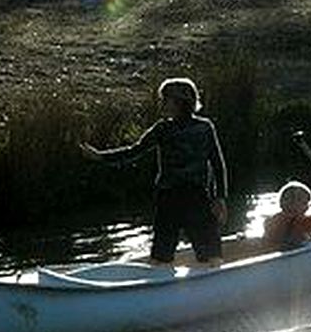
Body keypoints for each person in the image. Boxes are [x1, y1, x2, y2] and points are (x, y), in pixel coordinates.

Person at [80, 77, 227, 266]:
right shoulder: (162, 129)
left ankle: (214, 278)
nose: (162, 103)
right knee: (162, 252)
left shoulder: (204, 128)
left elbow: (217, 163)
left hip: (196, 197)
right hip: (169, 197)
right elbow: (134, 150)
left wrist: (220, 197)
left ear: (181, 102)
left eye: (166, 99)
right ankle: (159, 283)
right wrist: (101, 157)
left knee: (209, 250)